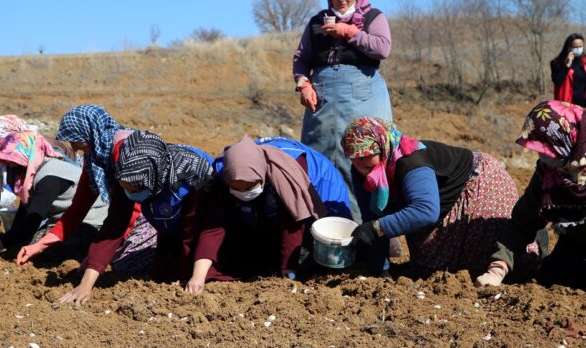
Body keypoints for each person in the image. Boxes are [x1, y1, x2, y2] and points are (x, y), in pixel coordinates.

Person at [14, 104, 157, 304]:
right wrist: (38, 246)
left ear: (91, 133)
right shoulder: (94, 161)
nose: (74, 149)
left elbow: (129, 213)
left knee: (126, 267)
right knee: (101, 260)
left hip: (154, 217)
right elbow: (77, 210)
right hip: (122, 219)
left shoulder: (126, 154)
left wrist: (93, 270)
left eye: (77, 142)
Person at [341, 117, 518, 277]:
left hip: (479, 183)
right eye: (353, 158)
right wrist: (380, 270)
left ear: (381, 147)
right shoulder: (361, 172)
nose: (359, 164)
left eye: (366, 156)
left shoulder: (410, 162)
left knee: (477, 258)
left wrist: (376, 228)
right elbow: (373, 216)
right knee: (428, 265)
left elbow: (425, 211)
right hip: (439, 198)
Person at [185, 135, 336, 295]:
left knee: (316, 250)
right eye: (237, 187)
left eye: (250, 186)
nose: (244, 192)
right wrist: (198, 277)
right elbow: (214, 226)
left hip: (320, 189)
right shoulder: (224, 173)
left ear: (261, 176)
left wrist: (289, 273)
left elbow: (292, 222)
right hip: (262, 212)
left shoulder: (285, 175)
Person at [77, 130, 215, 296]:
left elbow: (193, 232)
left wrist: (189, 275)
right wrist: (86, 284)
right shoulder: (129, 173)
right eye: (126, 189)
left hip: (206, 232)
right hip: (166, 224)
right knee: (152, 272)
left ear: (152, 179)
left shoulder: (192, 178)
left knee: (189, 277)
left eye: (136, 190)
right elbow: (114, 225)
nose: (131, 194)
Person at [294, 0, 393, 222]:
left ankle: (375, 229)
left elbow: (382, 48)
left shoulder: (373, 17)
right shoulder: (316, 22)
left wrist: (349, 31)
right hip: (323, 98)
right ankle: (323, 228)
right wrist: (304, 84)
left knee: (364, 159)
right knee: (320, 158)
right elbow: (301, 59)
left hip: (363, 95)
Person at [477, 101, 586, 289]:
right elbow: (523, 222)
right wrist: (498, 268)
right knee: (550, 278)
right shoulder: (549, 175)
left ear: (568, 138)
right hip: (578, 242)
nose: (543, 158)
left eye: (548, 151)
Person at [0, 131, 109, 263]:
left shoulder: (50, 176)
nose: (10, 167)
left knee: (47, 250)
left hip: (92, 221)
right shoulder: (30, 175)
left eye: (13, 162)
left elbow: (31, 221)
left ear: (25, 155)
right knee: (29, 243)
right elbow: (25, 215)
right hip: (67, 220)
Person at [551, 33, 585, 107]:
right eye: (575, 47)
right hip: (566, 106)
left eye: (580, 46)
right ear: (569, 47)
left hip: (583, 107)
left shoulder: (584, 62)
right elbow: (557, 81)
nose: (578, 49)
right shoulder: (557, 62)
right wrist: (566, 66)